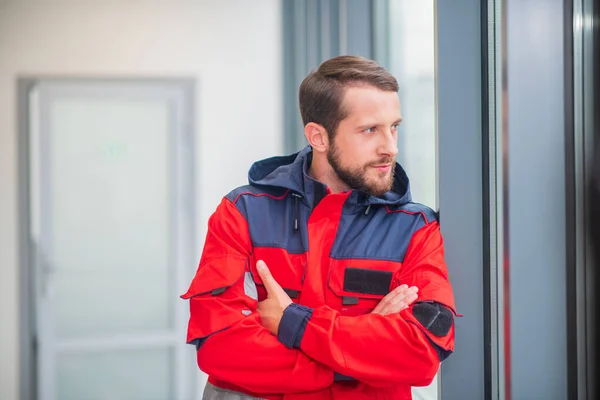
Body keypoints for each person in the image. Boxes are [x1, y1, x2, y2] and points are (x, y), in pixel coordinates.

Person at [181, 55, 458, 400]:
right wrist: (358, 357)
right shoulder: (242, 214)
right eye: (370, 129)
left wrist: (293, 323)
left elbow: (420, 353)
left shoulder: (415, 228)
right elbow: (219, 345)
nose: (391, 147)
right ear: (318, 137)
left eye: (394, 127)